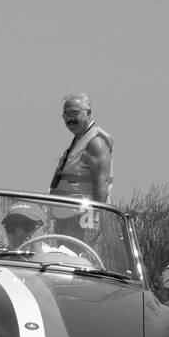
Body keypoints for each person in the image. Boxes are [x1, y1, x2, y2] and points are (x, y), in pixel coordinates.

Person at [49, 94, 113, 240]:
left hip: (82, 221)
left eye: (75, 113)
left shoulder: (95, 143)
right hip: (67, 219)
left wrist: (93, 221)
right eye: (66, 115)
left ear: (89, 113)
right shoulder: (80, 140)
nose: (70, 119)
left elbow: (101, 185)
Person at [1, 203, 79, 258]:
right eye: (11, 226)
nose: (19, 233)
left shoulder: (64, 258)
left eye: (27, 225)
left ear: (44, 230)